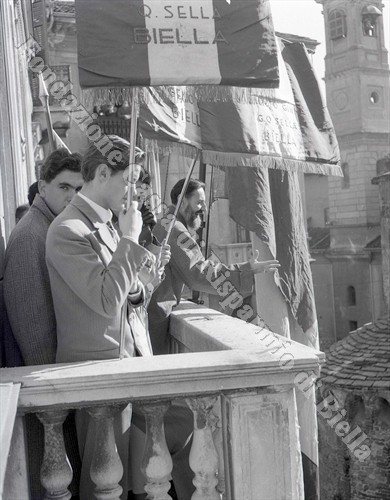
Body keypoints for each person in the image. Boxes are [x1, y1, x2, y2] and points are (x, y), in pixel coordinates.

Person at [45, 136, 194, 500]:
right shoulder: (67, 231)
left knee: (152, 470)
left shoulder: (109, 226)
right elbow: (105, 300)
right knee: (107, 488)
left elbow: (126, 296)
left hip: (129, 372)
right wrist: (129, 239)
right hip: (100, 385)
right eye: (131, 178)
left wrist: (142, 286)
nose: (136, 190)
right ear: (100, 173)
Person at [3, 148, 84, 498]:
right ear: (43, 186)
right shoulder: (28, 238)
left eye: (79, 190)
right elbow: (35, 339)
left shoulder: (52, 229)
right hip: (47, 408)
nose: (72, 197)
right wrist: (59, 408)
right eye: (65, 187)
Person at [148, 178, 281, 355]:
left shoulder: (167, 222)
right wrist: (245, 269)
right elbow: (198, 273)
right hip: (157, 315)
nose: (203, 208)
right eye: (199, 202)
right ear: (183, 199)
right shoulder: (176, 229)